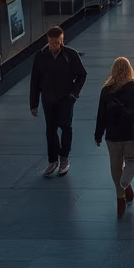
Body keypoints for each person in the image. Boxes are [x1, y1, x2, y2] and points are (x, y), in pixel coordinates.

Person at [93, 56, 134, 218]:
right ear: (129, 69)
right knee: (132, 160)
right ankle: (125, 183)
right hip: (131, 133)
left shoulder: (106, 90)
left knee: (115, 164)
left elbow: (101, 115)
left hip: (112, 135)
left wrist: (98, 135)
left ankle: (120, 198)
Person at [29, 26, 88, 177]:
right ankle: (52, 161)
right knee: (50, 129)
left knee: (66, 127)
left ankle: (64, 159)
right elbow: (35, 80)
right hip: (48, 99)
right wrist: (33, 104)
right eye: (50, 42)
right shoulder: (40, 56)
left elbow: (82, 75)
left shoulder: (71, 55)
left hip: (66, 99)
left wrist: (73, 95)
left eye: (56, 42)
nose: (53, 45)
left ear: (62, 40)